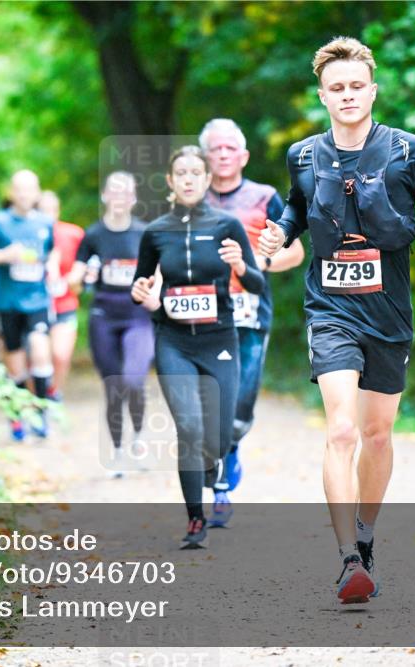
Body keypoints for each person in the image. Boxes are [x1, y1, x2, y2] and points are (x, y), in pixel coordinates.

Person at [258, 37, 415, 602]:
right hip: (330, 310)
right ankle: (348, 559)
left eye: (356, 86)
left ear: (372, 90)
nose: (347, 95)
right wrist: (280, 231)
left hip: (389, 313)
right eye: (336, 88)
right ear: (323, 96)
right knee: (343, 430)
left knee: (377, 435)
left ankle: (367, 536)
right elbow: (295, 210)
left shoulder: (407, 151)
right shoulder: (304, 156)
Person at [131, 146, 265, 549]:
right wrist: (143, 294)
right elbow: (140, 285)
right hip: (173, 341)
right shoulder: (155, 232)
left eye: (196, 173)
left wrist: (241, 266)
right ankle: (195, 519)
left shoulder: (227, 226)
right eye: (181, 173)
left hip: (220, 340)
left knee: (218, 438)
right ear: (170, 182)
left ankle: (213, 467)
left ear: (207, 180)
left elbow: (257, 284)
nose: (188, 179)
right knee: (188, 428)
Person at [200, 118, 306, 526]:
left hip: (250, 311)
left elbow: (294, 252)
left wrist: (256, 262)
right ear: (205, 157)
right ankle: (221, 484)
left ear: (243, 156)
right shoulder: (190, 198)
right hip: (201, 312)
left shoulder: (265, 198)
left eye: (230, 148)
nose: (223, 155)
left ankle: (231, 446)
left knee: (240, 404)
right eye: (216, 149)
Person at [68, 172, 155, 479]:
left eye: (126, 192)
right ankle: (118, 451)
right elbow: (74, 278)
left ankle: (139, 438)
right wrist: (83, 277)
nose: (119, 197)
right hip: (104, 315)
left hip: (137, 316)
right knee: (114, 387)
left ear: (133, 198)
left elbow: (158, 274)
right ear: (105, 195)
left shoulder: (145, 234)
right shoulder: (92, 236)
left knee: (133, 379)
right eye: (113, 191)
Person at [0, 170, 59, 440]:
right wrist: (4, 255)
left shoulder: (45, 222)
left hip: (37, 299)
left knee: (41, 350)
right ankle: (18, 415)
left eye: (29, 189)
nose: (24, 195)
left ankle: (41, 413)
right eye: (19, 189)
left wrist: (52, 265)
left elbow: (51, 251)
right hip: (7, 302)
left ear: (37, 192)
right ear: (11, 192)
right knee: (15, 364)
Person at [38, 190, 85, 403]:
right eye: (42, 210)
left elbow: (84, 265)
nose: (48, 214)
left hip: (65, 303)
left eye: (51, 209)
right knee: (40, 357)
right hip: (35, 306)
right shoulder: (29, 234)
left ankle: (56, 393)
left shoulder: (73, 234)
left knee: (60, 355)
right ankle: (38, 398)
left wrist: (75, 279)